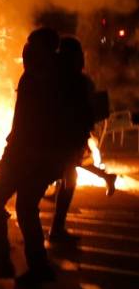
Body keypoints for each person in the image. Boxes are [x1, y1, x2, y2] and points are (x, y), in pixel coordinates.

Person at [0, 28, 74, 285]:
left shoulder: (37, 79)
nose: (27, 50)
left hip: (29, 156)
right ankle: (33, 265)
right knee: (23, 207)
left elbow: (26, 125)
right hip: (43, 157)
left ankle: (7, 262)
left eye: (32, 46)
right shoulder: (56, 78)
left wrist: (10, 155)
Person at [49, 36, 117, 244]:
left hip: (70, 134)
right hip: (69, 134)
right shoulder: (75, 79)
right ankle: (105, 177)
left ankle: (57, 228)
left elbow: (78, 108)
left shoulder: (72, 80)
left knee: (69, 173)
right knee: (68, 171)